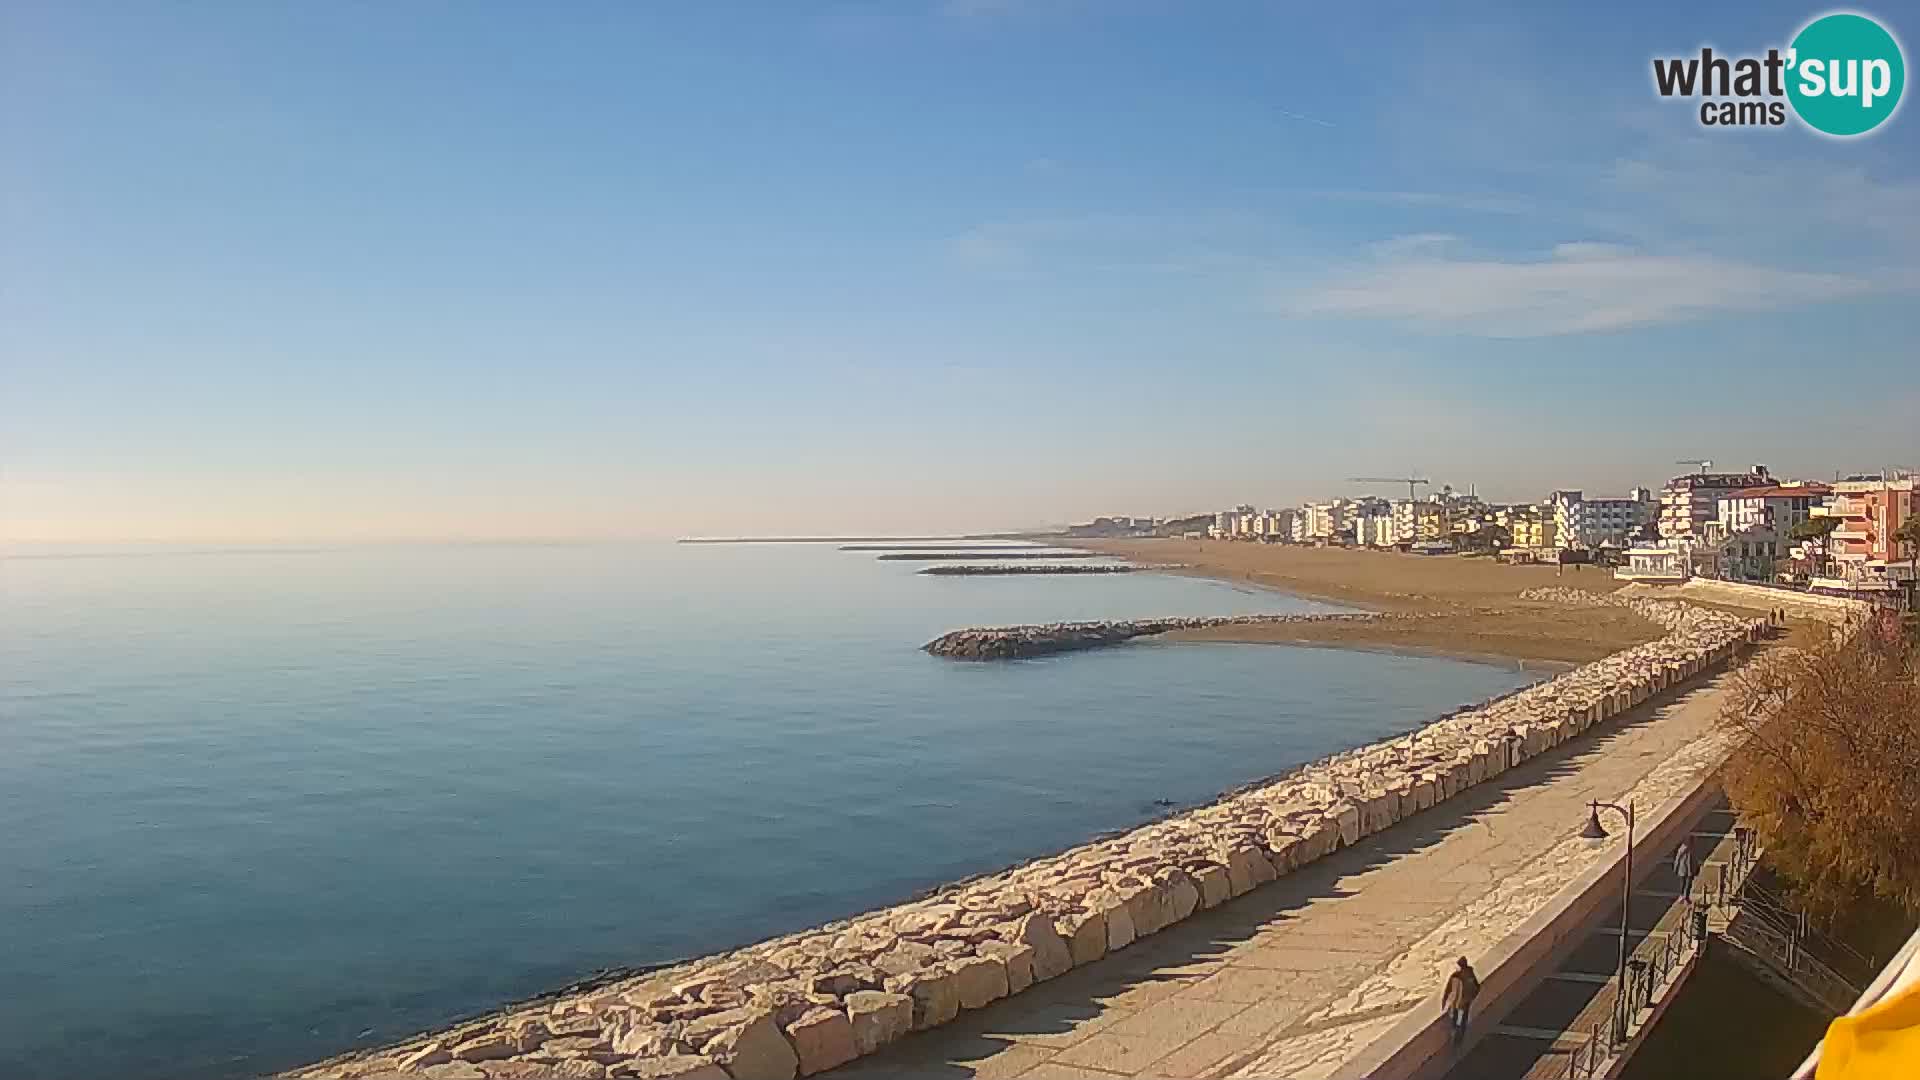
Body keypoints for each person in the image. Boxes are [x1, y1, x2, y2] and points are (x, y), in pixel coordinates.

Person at [1443, 956, 1479, 1047]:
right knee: (1462, 1021)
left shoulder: (1457, 977)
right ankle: (1459, 1040)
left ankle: (1456, 1041)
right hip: (1466, 1002)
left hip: (1459, 1004)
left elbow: (1452, 992)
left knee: (1457, 1022)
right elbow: (1477, 987)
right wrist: (1471, 998)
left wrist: (1446, 1004)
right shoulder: (1470, 973)